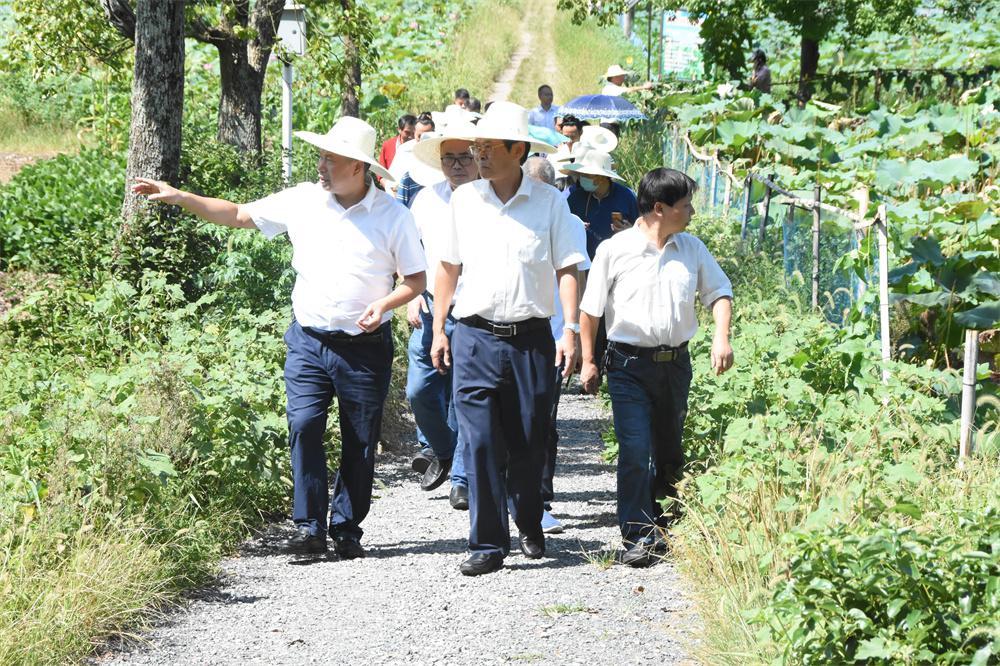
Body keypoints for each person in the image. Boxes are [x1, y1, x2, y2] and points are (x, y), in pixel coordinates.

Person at [131, 116, 427, 559]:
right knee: (304, 425)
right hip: (307, 340)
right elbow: (236, 214)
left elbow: (416, 279)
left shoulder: (393, 216)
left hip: (365, 348)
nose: (321, 165)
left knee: (360, 438)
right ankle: (309, 528)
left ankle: (346, 527)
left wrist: (384, 305)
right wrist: (181, 197)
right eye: (321, 156)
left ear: (359, 167)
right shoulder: (303, 200)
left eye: (332, 158)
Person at [430, 102, 584, 576]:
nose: (479, 154)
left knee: (528, 439)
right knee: (478, 441)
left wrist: (572, 330)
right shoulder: (464, 201)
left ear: (518, 150)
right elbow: (447, 268)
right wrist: (439, 327)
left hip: (531, 340)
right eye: (477, 145)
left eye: (489, 146)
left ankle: (530, 521)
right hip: (474, 336)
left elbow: (568, 268)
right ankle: (487, 543)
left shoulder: (551, 204)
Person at [579, 168, 733, 568]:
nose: (692, 212)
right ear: (660, 208)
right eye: (686, 206)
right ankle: (637, 533)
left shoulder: (692, 249)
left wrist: (721, 337)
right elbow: (590, 310)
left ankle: (667, 524)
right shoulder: (615, 250)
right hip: (628, 365)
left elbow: (719, 292)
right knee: (635, 448)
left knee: (668, 448)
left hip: (675, 365)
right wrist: (589, 361)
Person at [405, 119, 481, 508]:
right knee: (418, 390)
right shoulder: (425, 199)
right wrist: (409, 295)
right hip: (431, 303)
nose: (456, 165)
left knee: (465, 396)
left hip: (474, 310)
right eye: (448, 158)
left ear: (479, 158)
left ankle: (463, 480)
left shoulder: (491, 199)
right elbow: (408, 252)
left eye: (464, 157)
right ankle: (445, 449)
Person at [524, 156, 591, 535]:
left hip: (554, 335)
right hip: (516, 330)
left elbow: (578, 279)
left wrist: (576, 335)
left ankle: (541, 499)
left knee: (544, 420)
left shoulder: (567, 223)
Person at [563, 149, 638, 258]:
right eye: (581, 174)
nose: (581, 178)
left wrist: (630, 231)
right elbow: (563, 228)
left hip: (617, 261)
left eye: (586, 174)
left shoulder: (627, 197)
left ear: (601, 177)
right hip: (583, 263)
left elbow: (641, 231)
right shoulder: (575, 198)